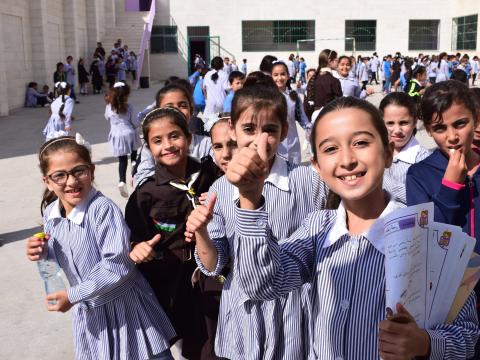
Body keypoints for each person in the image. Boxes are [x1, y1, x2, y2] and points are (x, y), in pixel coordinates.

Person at [218, 95, 479, 359]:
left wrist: (426, 343)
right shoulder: (316, 229)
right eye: (330, 149)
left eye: (361, 143)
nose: (347, 160)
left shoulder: (430, 240)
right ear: (317, 167)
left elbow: (467, 335)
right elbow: (261, 284)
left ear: (388, 153)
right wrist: (250, 198)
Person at [186, 84, 327, 360]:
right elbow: (214, 265)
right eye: (249, 129)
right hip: (244, 312)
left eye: (270, 130)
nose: (259, 141)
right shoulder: (220, 189)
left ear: (284, 131)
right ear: (232, 130)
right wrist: (201, 231)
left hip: (294, 312)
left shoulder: (308, 181)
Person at [26, 136, 175, 360]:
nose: (71, 181)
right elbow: (60, 259)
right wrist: (41, 252)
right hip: (92, 316)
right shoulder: (51, 215)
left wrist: (73, 295)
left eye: (79, 171)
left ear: (92, 171)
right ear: (47, 181)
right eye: (59, 175)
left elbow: (117, 266)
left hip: (127, 313)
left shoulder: (103, 210)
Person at [125, 107, 219, 360]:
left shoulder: (211, 174)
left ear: (188, 138)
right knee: (191, 341)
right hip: (172, 279)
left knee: (218, 336)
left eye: (174, 136)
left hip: (213, 271)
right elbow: (132, 235)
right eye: (157, 140)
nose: (168, 145)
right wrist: (137, 247)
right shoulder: (146, 194)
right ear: (148, 147)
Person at [133, 83, 212, 188]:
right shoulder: (151, 149)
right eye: (169, 107)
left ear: (191, 110)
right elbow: (141, 180)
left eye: (182, 105)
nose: (176, 110)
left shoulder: (207, 144)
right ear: (158, 112)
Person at [380, 92, 430, 203]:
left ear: (414, 122)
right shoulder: (373, 151)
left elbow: (422, 201)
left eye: (403, 123)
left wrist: (379, 178)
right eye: (390, 123)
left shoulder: (423, 160)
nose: (397, 130)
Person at [104, 82, 140, 198]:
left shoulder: (109, 107)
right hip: (129, 133)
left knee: (122, 159)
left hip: (117, 135)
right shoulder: (129, 107)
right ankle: (134, 168)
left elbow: (107, 117)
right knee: (134, 154)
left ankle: (122, 181)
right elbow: (135, 123)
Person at [271, 61, 311, 164]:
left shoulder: (293, 96)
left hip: (293, 142)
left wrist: (311, 130)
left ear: (288, 76)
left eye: (283, 74)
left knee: (294, 173)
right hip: (274, 143)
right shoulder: (267, 97)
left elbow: (302, 118)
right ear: (271, 76)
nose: (279, 78)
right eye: (276, 75)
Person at [304, 49, 343, 119]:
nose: (338, 63)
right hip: (330, 119)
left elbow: (306, 104)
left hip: (314, 119)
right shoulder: (334, 81)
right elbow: (340, 106)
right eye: (337, 60)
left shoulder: (313, 79)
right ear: (330, 61)